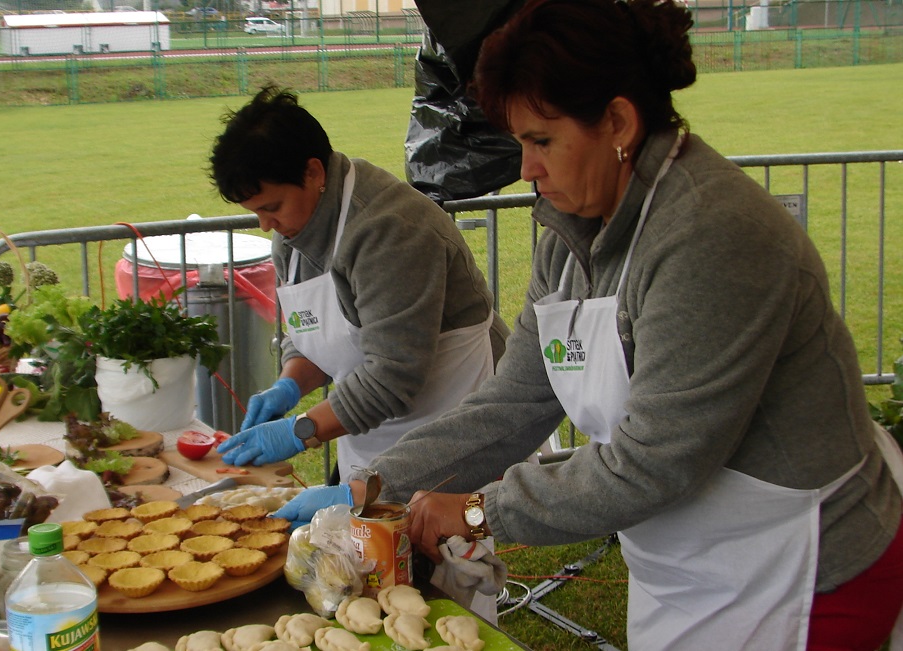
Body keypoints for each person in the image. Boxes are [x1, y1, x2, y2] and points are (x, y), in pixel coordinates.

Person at [273, 1, 903, 649]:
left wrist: (477, 509)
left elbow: (655, 462)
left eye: (540, 141)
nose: (525, 170)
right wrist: (369, 483)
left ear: (618, 122)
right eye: (518, 143)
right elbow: (514, 400)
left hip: (797, 574)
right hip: (686, 563)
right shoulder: (569, 228)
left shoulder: (711, 233)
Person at [208, 86, 510, 476]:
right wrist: (288, 386)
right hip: (374, 430)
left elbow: (393, 375)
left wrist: (300, 431)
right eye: (255, 213)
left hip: (449, 422)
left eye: (272, 207)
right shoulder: (293, 235)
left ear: (314, 172)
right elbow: (314, 338)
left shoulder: (391, 230)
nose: (267, 226)